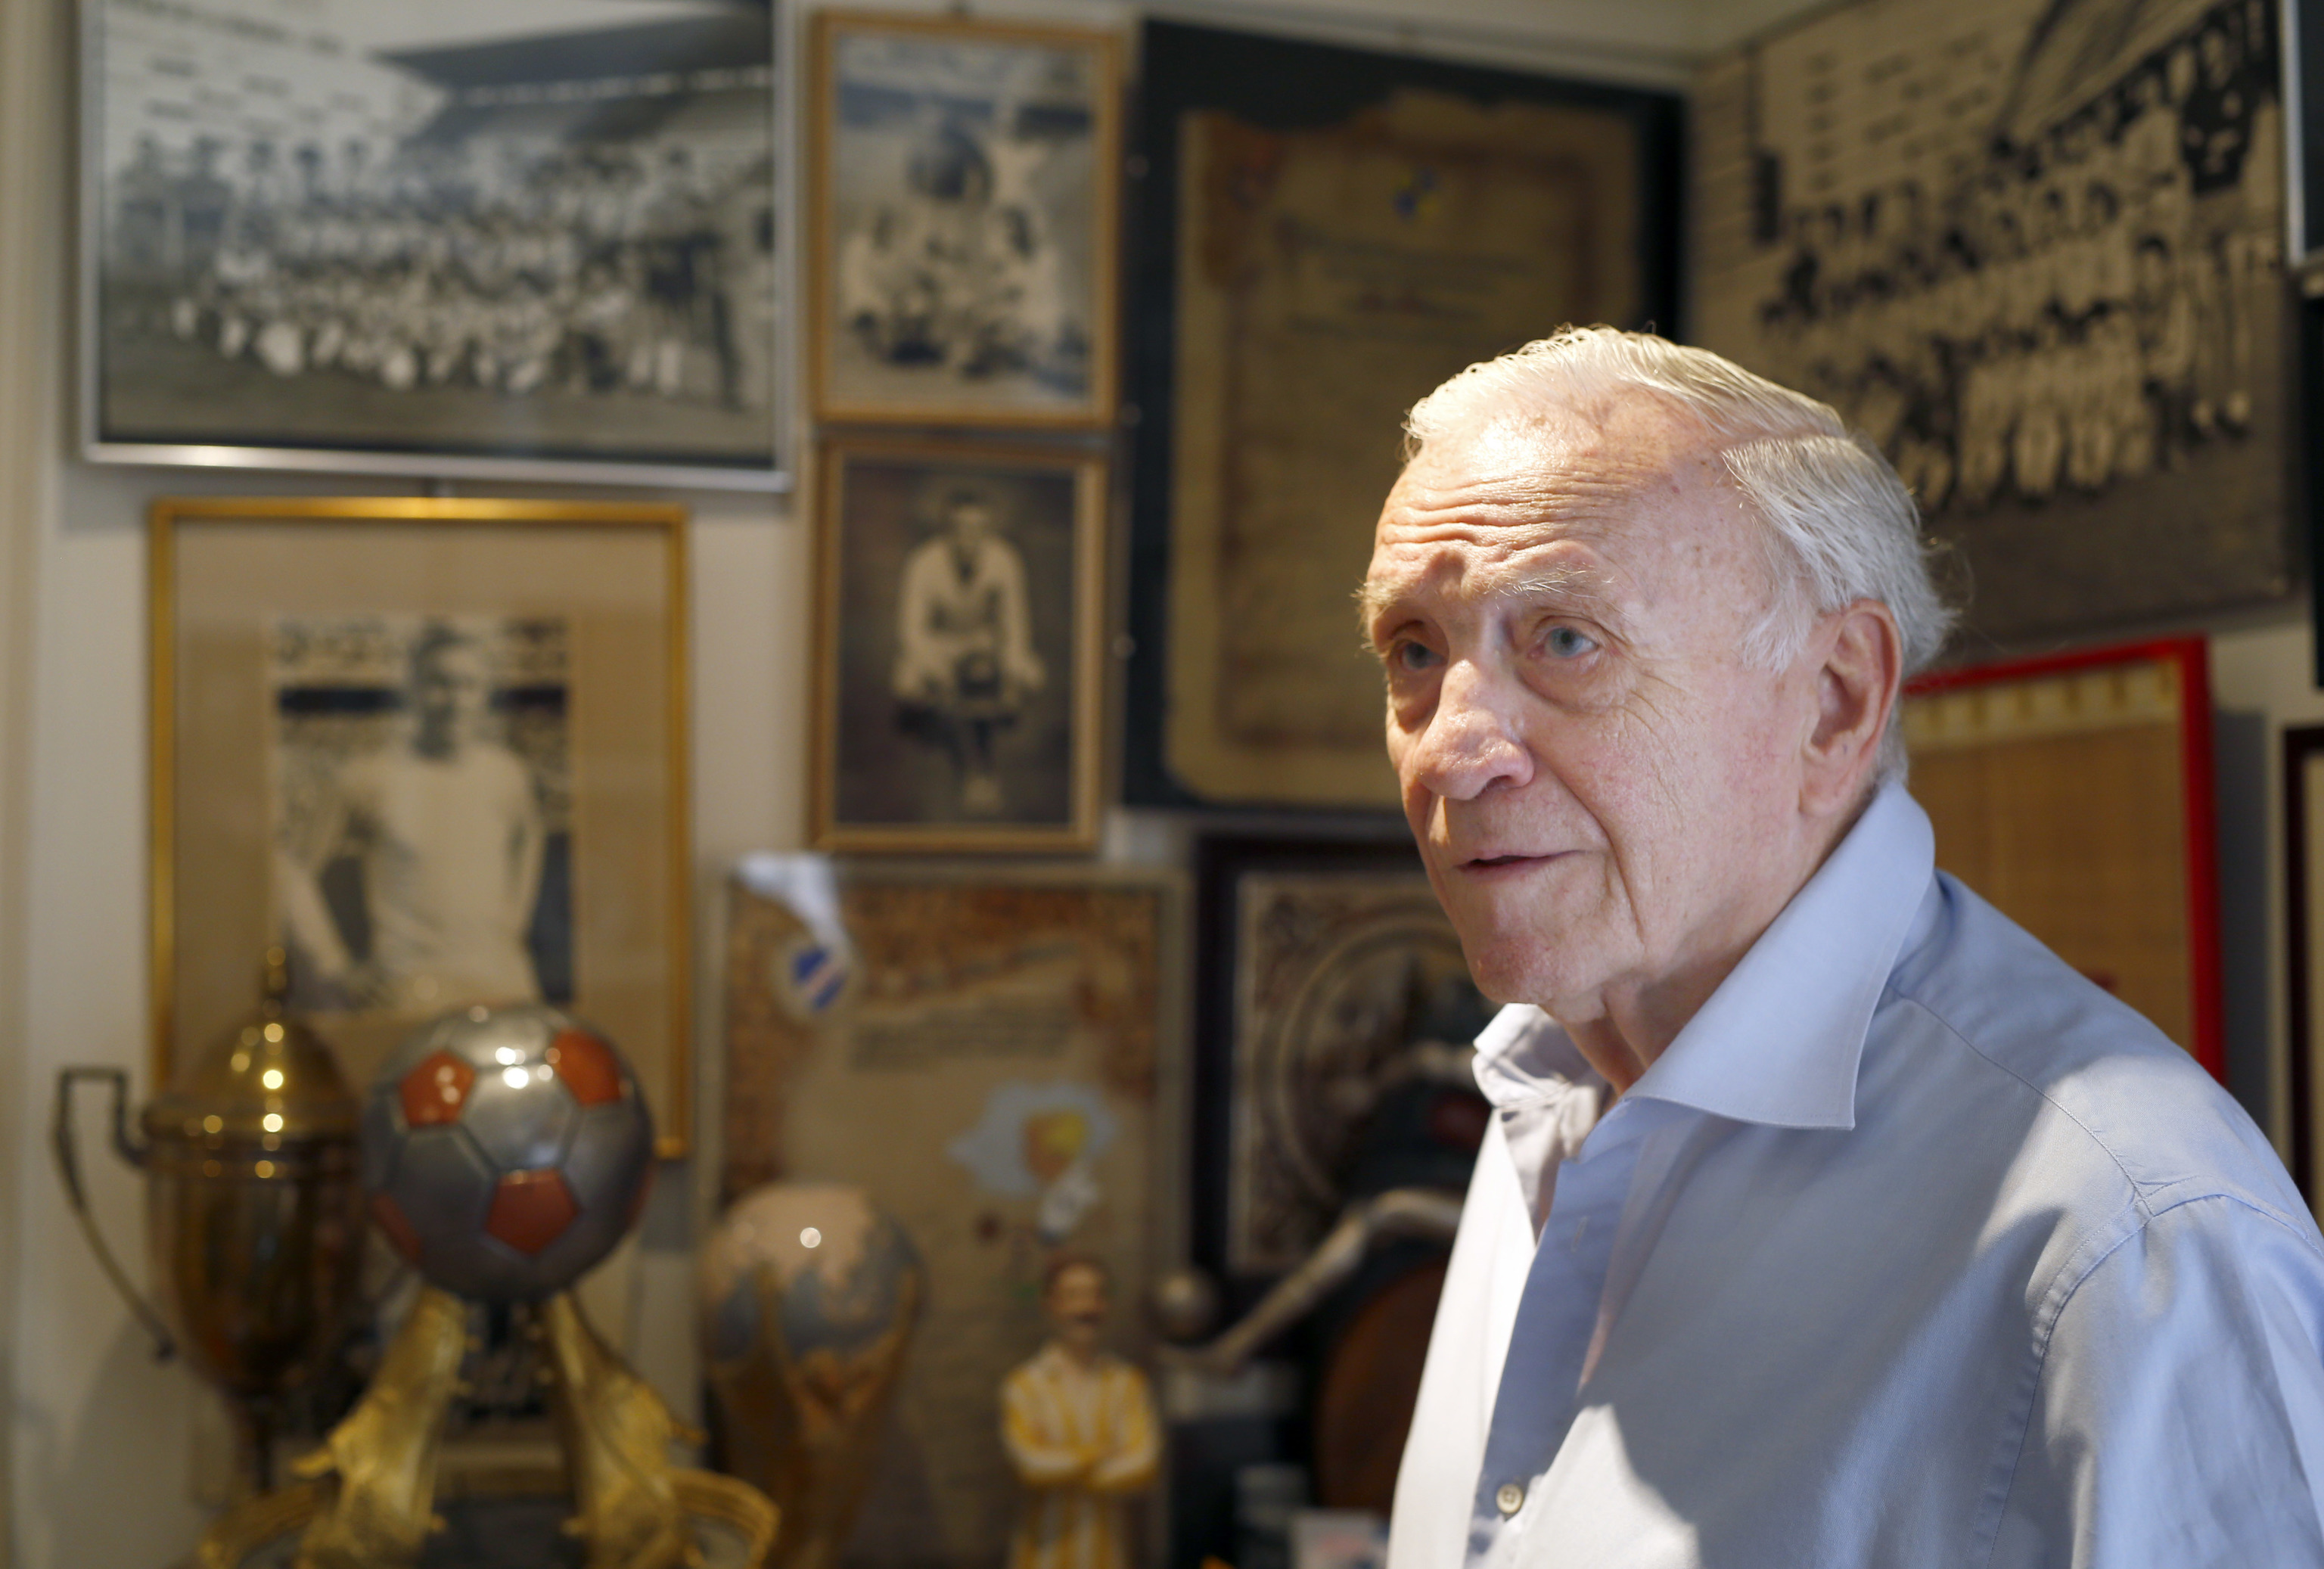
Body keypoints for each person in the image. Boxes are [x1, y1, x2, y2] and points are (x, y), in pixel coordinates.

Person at [1366, 327, 2324, 1564]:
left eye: (1563, 639)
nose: (1449, 746)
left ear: (1834, 696)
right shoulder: (1548, 1083)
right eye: (1413, 650)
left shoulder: (2131, 1241)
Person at [275, 623, 547, 1014]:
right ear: (413, 689)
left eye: (468, 685)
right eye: (439, 683)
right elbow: (294, 868)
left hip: (505, 983)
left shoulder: (507, 774)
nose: (454, 700)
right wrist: (336, 966)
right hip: (413, 991)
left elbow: (529, 838)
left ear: (484, 693)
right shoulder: (369, 776)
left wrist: (514, 923)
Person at [892, 483, 1046, 816]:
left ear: (988, 530)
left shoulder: (1005, 558)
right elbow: (911, 629)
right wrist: (938, 670)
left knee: (1028, 678)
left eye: (978, 529)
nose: (969, 538)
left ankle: (982, 769)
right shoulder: (923, 561)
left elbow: (1015, 624)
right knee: (908, 686)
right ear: (947, 531)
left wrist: (1008, 671)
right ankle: (957, 753)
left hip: (983, 643)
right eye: (960, 528)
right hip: (941, 644)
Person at [999, 1256, 1160, 1569]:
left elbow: (1143, 1465)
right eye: (1073, 1295)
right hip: (1041, 1559)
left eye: (1095, 1295)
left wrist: (1061, 1465)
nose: (1086, 1308)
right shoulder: (1024, 1385)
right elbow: (1030, 1465)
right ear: (1051, 1304)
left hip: (1107, 1557)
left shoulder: (1128, 1384)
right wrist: (1102, 1453)